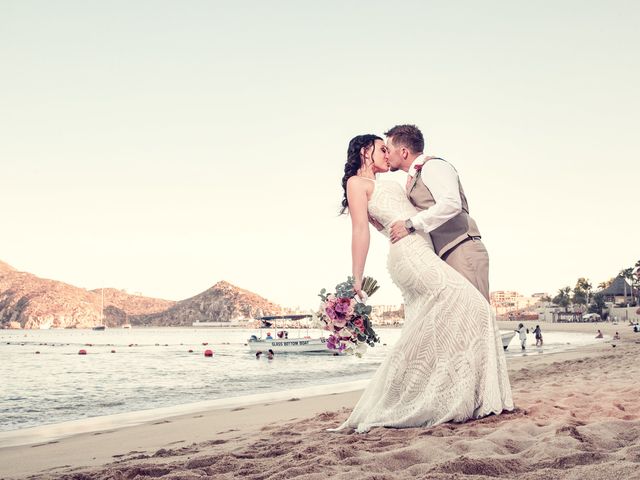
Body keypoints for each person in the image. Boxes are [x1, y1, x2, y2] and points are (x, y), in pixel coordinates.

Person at [328, 134, 513, 434]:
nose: (386, 154)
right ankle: (448, 394)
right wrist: (356, 279)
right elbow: (360, 231)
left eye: (388, 149)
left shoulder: (394, 182)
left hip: (424, 250)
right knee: (474, 305)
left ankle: (444, 392)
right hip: (410, 254)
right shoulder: (356, 184)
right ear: (365, 151)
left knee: (428, 325)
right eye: (381, 149)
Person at [384, 125, 490, 302]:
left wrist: (410, 225)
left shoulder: (433, 166)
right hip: (444, 255)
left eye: (388, 149)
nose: (386, 155)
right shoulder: (414, 177)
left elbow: (451, 203)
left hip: (462, 249)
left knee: (476, 316)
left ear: (403, 152)